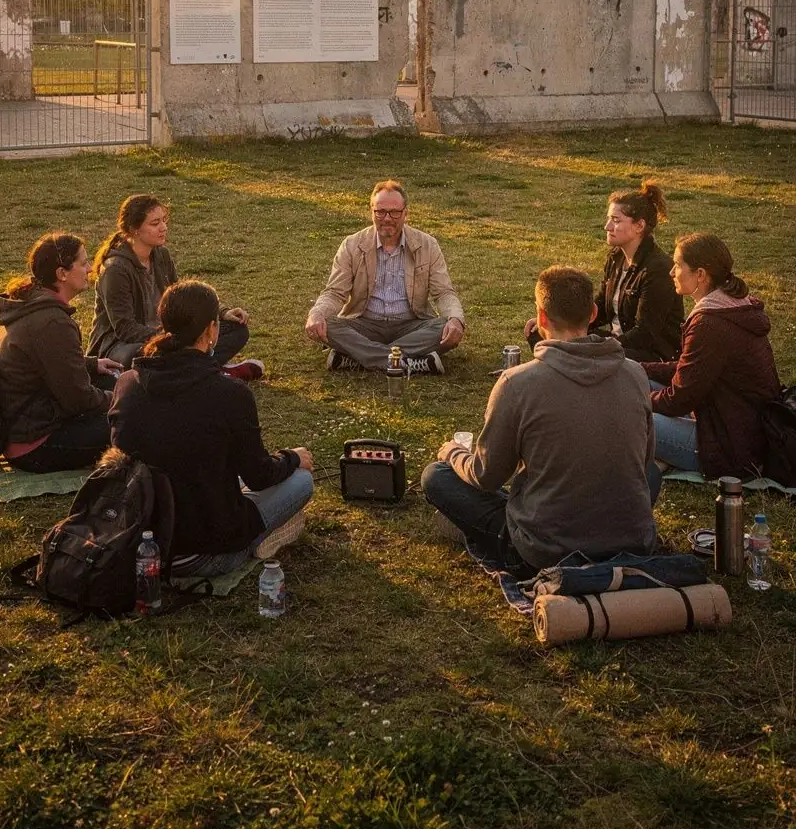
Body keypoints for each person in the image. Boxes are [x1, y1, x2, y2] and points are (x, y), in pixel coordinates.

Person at [422, 266, 656, 574]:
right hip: (631, 540)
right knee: (650, 476)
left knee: (436, 476)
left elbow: (486, 476)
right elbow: (644, 462)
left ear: (542, 319)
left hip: (546, 550)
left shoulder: (517, 383)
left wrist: (452, 451)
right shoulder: (636, 373)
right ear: (593, 312)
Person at [109, 279, 314, 576]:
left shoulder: (127, 382)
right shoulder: (229, 394)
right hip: (208, 549)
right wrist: (293, 458)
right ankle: (264, 537)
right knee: (301, 481)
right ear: (211, 329)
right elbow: (259, 476)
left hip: (142, 543)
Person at [643, 234, 781, 499]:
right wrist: (641, 369)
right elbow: (692, 368)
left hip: (727, 448)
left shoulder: (711, 323)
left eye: (677, 265)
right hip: (731, 427)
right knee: (637, 379)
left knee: (631, 416)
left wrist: (634, 400)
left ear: (701, 275)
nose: (671, 271)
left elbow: (678, 400)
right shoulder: (728, 306)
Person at [305, 179, 465, 375]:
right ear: (371, 211)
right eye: (380, 212)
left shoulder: (428, 245)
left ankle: (356, 357)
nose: (387, 218)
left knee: (445, 328)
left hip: (411, 325)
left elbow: (444, 293)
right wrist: (316, 314)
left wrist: (456, 320)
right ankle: (413, 362)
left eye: (395, 212)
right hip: (364, 323)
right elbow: (335, 293)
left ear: (406, 213)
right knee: (327, 325)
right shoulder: (351, 245)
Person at [0, 233, 122, 473]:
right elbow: (78, 400)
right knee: (132, 417)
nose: (90, 268)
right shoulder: (52, 322)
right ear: (62, 274)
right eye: (83, 263)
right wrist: (121, 401)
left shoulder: (29, 304)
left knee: (111, 380)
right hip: (36, 446)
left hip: (25, 425)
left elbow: (39, 362)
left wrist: (91, 365)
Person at [526, 180, 683, 364]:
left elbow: (645, 333)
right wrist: (559, 321)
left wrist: (603, 347)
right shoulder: (616, 257)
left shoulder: (657, 269)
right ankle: (557, 375)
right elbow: (601, 306)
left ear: (639, 226)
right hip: (618, 344)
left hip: (649, 353)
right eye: (609, 219)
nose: (607, 227)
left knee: (576, 349)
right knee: (541, 332)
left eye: (616, 221)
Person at [88, 193, 252, 370]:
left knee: (236, 330)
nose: (163, 227)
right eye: (155, 223)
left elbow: (182, 299)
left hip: (168, 334)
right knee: (148, 355)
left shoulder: (160, 255)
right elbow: (125, 329)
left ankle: (199, 367)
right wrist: (171, 336)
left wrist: (220, 313)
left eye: (164, 220)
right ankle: (210, 369)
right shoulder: (116, 269)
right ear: (135, 228)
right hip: (122, 346)